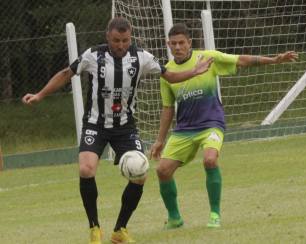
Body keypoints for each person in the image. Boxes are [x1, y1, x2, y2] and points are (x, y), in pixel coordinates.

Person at [22, 18, 212, 244]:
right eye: (115, 41)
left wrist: (193, 72)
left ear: (130, 38)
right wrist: (40, 95)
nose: (120, 45)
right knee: (86, 169)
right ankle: (94, 228)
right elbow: (66, 73)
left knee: (140, 174)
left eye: (125, 40)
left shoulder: (142, 57)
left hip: (125, 127)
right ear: (107, 37)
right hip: (95, 124)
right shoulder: (94, 55)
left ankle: (120, 230)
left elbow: (169, 75)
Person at [150, 23, 298, 229]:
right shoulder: (167, 73)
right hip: (184, 129)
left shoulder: (207, 58)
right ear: (168, 44)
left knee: (210, 160)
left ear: (189, 43)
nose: (177, 47)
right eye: (173, 43)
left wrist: (274, 60)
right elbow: (168, 108)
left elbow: (241, 60)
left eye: (181, 43)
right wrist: (159, 140)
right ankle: (175, 218)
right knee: (163, 171)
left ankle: (214, 214)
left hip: (211, 124)